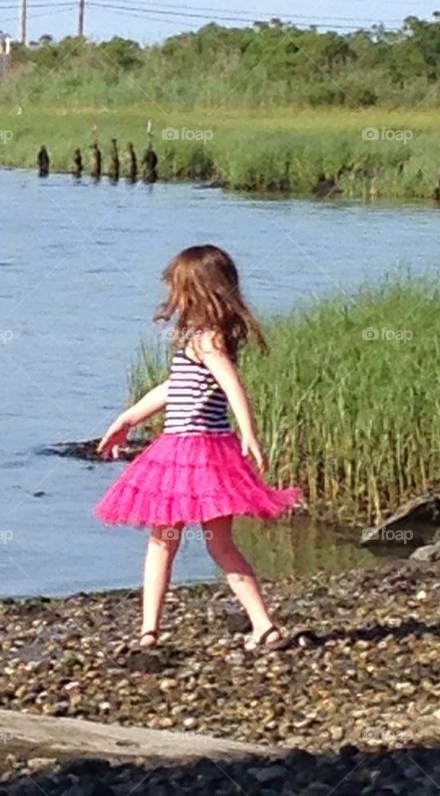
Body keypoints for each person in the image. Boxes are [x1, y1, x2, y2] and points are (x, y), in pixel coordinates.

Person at [95, 244, 301, 650]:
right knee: (216, 543)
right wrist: (128, 419)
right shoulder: (204, 336)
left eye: (177, 287)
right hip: (205, 453)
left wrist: (250, 433)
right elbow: (174, 388)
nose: (171, 296)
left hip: (189, 453)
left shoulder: (206, 339)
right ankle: (263, 626)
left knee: (163, 541)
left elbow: (231, 385)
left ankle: (150, 631)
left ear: (196, 290)